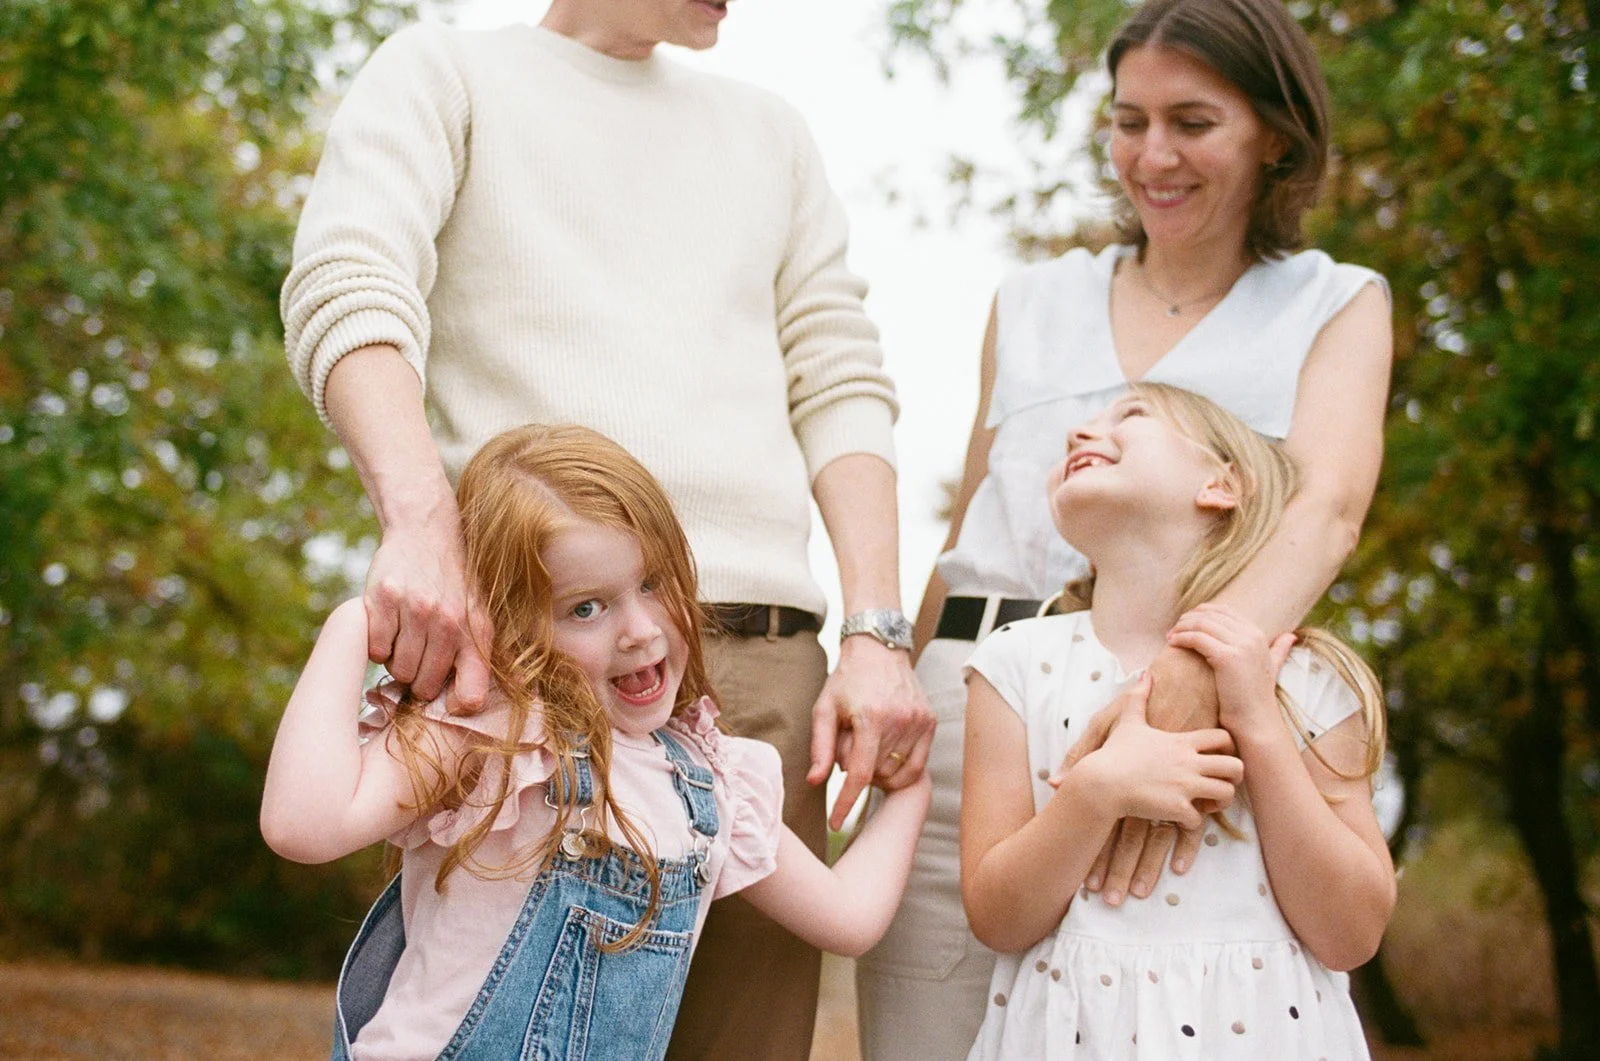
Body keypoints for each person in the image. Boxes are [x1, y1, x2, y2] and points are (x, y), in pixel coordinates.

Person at [278, 2, 935, 1055]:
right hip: (534, 672)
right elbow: (348, 282)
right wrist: (418, 529)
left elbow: (841, 373)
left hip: (759, 677)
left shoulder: (769, 132)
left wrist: (874, 631)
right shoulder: (445, 73)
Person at [855, 0, 1392, 1055]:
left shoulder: (1332, 301)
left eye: (1192, 121)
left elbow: (1324, 512)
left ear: (1273, 134)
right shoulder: (1033, 298)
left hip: (1198, 713)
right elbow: (977, 514)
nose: (1152, 154)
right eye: (1127, 119)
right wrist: (896, 677)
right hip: (982, 700)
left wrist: (1174, 699)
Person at [260, 424, 931, 1061]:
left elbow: (849, 917)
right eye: (586, 607)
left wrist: (911, 783)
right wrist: (355, 622)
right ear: (508, 626)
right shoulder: (490, 731)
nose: (640, 630)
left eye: (652, 583)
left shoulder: (709, 784)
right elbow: (303, 826)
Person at [961, 383, 1395, 1059]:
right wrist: (1094, 791)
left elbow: (1353, 931)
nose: (1081, 432)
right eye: (1082, 425)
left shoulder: (1305, 678)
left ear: (1223, 483)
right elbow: (996, 915)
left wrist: (1257, 722)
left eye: (1129, 415)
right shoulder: (1014, 663)